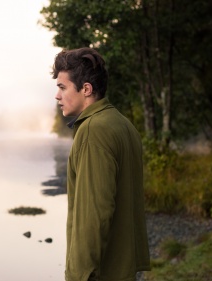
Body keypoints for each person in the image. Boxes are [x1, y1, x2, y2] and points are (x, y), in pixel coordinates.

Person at [52, 48, 151, 281]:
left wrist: (80, 275)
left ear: (86, 89)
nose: (57, 95)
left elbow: (94, 214)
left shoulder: (93, 130)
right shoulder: (122, 124)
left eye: (62, 87)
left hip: (102, 273)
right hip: (123, 268)